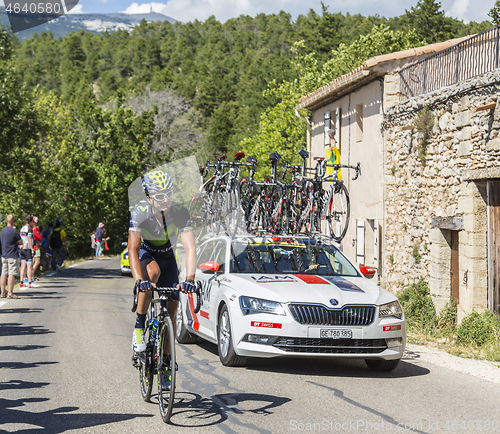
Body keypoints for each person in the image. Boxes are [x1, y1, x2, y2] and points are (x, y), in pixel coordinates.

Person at [128, 169, 196, 385]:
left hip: (168, 259)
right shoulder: (139, 212)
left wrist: (191, 279)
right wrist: (139, 280)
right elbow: (132, 248)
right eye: (159, 196)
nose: (165, 199)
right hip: (147, 256)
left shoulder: (180, 212)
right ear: (149, 198)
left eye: (168, 194)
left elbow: (190, 247)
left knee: (173, 311)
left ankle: (166, 362)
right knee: (151, 274)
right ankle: (139, 327)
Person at [1, 215, 23, 299]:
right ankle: (10, 293)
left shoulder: (2, 231)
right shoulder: (14, 231)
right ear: (14, 222)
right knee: (11, 274)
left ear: (6, 221)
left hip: (4, 255)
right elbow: (20, 242)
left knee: (3, 274)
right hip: (12, 255)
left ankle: (2, 292)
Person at [19, 215, 35, 288]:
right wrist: (32, 249)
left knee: (23, 265)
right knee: (29, 266)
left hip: (22, 248)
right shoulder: (29, 229)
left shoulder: (22, 228)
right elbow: (29, 239)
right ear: (31, 221)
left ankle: (21, 281)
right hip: (27, 248)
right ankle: (29, 282)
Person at [31, 217, 42, 287]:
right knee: (37, 261)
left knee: (34, 261)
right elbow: (40, 237)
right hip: (36, 247)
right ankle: (31, 274)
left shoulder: (31, 228)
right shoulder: (35, 229)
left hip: (34, 246)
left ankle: (31, 275)